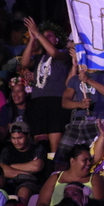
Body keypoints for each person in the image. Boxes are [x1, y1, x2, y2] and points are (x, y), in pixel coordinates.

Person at [54, 49, 104, 171]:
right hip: (77, 122)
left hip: (97, 121)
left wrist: (89, 80)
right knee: (61, 158)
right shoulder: (75, 79)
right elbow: (65, 102)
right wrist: (79, 104)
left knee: (99, 158)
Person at [21, 16, 71, 154]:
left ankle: (54, 164)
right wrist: (32, 38)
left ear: (57, 40)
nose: (45, 38)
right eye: (44, 36)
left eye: (49, 36)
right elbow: (24, 63)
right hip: (38, 101)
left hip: (55, 100)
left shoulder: (63, 54)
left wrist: (37, 33)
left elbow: (54, 52)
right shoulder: (39, 58)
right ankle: (43, 164)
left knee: (54, 144)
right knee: (40, 142)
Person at [38, 144, 104, 206]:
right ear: (72, 161)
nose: (89, 163)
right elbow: (41, 205)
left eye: (90, 160)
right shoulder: (55, 178)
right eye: (85, 160)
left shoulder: (95, 179)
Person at [0, 121, 46, 206]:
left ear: (28, 136)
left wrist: (11, 167)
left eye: (20, 138)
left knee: (24, 190)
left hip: (31, 183)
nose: (16, 142)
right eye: (13, 138)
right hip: (9, 183)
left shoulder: (37, 148)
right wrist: (26, 173)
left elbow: (36, 166)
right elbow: (1, 170)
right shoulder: (7, 150)